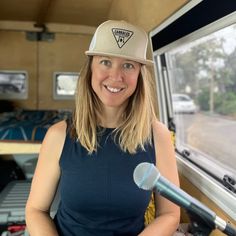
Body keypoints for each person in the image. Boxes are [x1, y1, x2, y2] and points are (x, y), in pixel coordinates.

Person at [25, 20, 180, 236]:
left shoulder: (158, 136)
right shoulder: (58, 135)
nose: (116, 76)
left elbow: (170, 214)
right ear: (90, 69)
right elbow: (35, 210)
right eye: (106, 62)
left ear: (139, 76)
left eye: (128, 65)